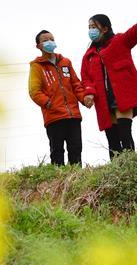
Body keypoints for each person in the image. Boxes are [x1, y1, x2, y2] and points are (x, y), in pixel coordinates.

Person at [80, 5, 137, 160]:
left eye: (94, 27)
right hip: (104, 100)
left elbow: (135, 32)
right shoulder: (88, 55)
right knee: (112, 139)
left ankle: (131, 166)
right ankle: (116, 170)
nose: (91, 30)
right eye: (89, 27)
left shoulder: (119, 41)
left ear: (104, 28)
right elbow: (86, 79)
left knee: (125, 133)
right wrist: (89, 93)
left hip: (122, 96)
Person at [28, 30, 90, 165]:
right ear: (38, 46)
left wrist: (84, 99)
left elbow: (76, 84)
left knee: (76, 148)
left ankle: (75, 179)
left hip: (73, 115)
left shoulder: (65, 62)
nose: (49, 42)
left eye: (51, 39)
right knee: (57, 151)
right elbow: (34, 91)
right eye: (45, 40)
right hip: (54, 117)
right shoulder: (37, 66)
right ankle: (59, 180)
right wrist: (49, 103)